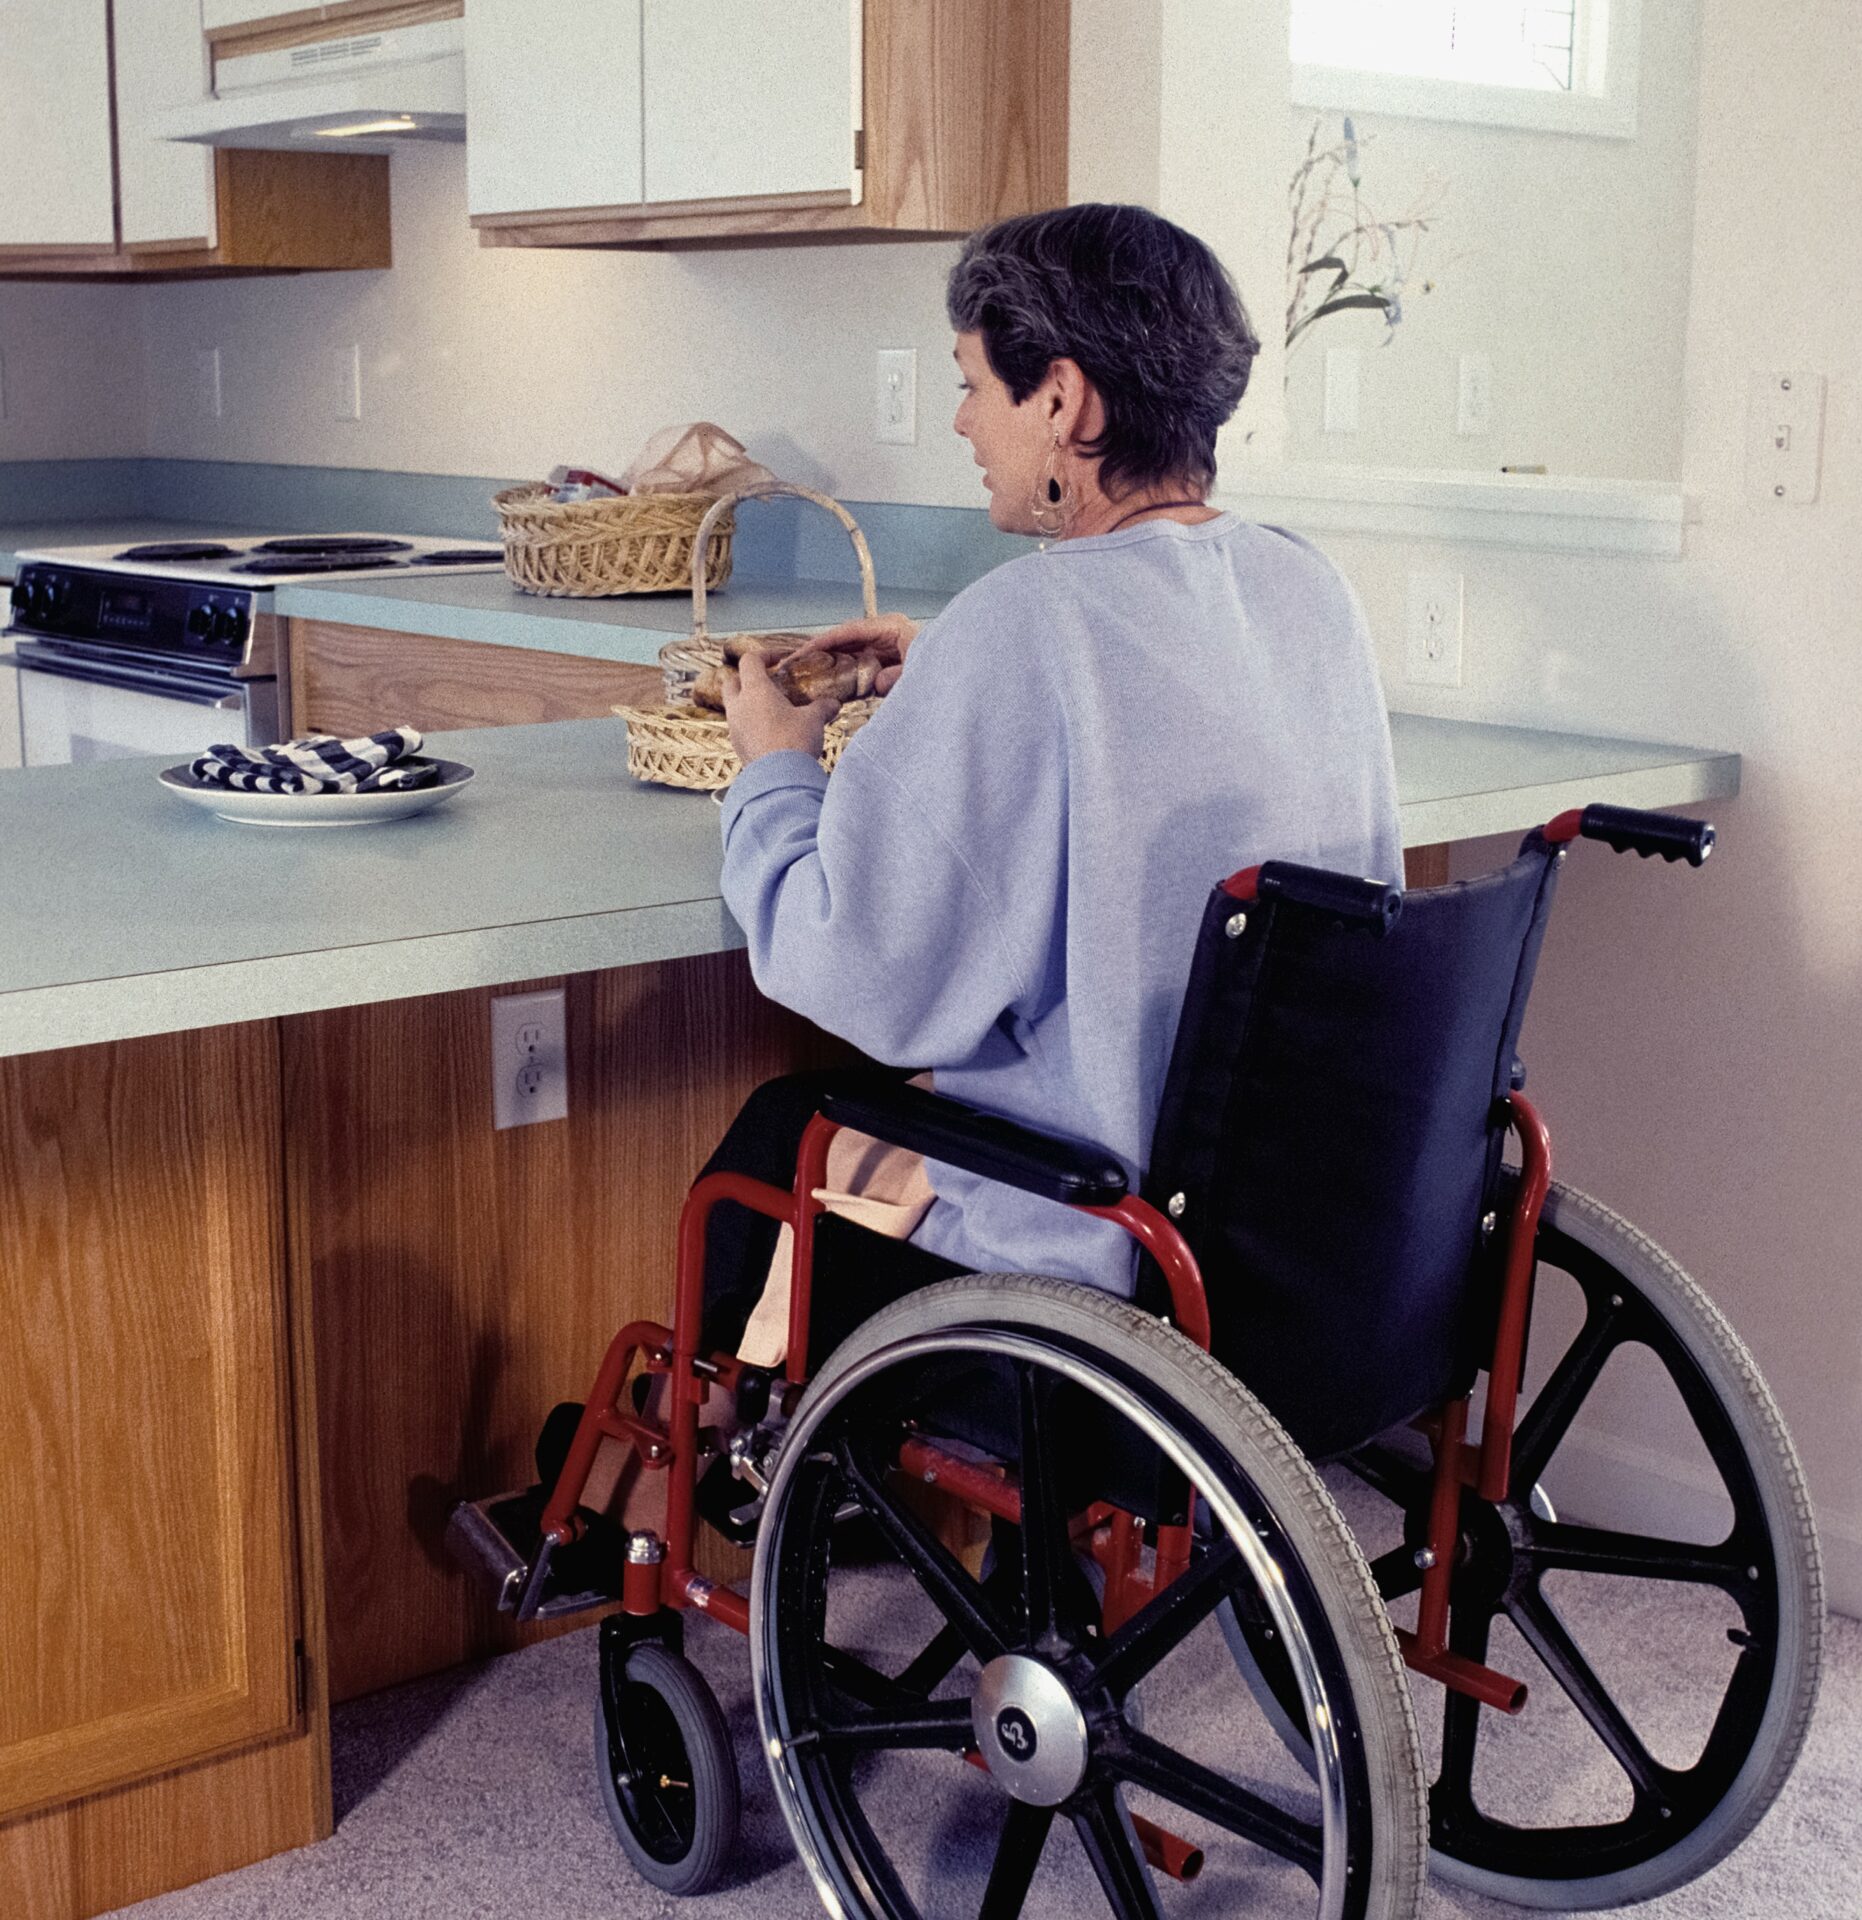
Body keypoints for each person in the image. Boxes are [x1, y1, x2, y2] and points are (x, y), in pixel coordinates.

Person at [704, 201, 1403, 1358]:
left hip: (1098, 1251)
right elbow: (1158, 713)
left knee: (782, 1126)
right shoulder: (1303, 585)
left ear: (1062, 400)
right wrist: (952, 672)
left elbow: (861, 973)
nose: (961, 420)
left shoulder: (1023, 622)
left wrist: (774, 770)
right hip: (1294, 1237)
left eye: (973, 383)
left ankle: (686, 1447)